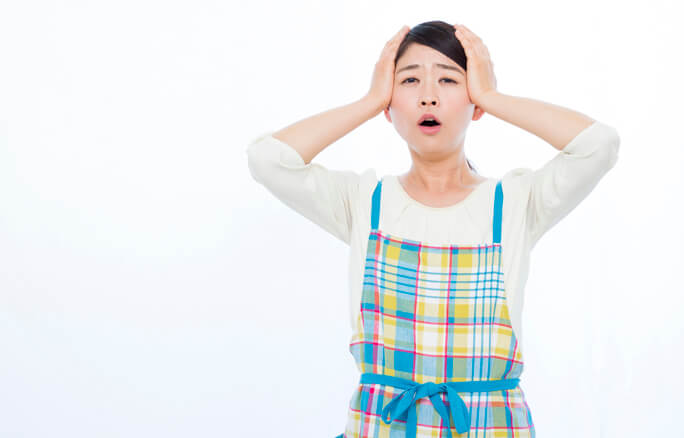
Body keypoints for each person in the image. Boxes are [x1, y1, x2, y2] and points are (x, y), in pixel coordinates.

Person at [246, 20, 619, 438]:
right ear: (389, 105)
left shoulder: (514, 202)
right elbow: (267, 160)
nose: (428, 95)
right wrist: (369, 100)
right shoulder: (366, 201)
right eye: (409, 80)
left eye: (448, 79)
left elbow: (599, 146)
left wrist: (493, 97)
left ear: (475, 101)